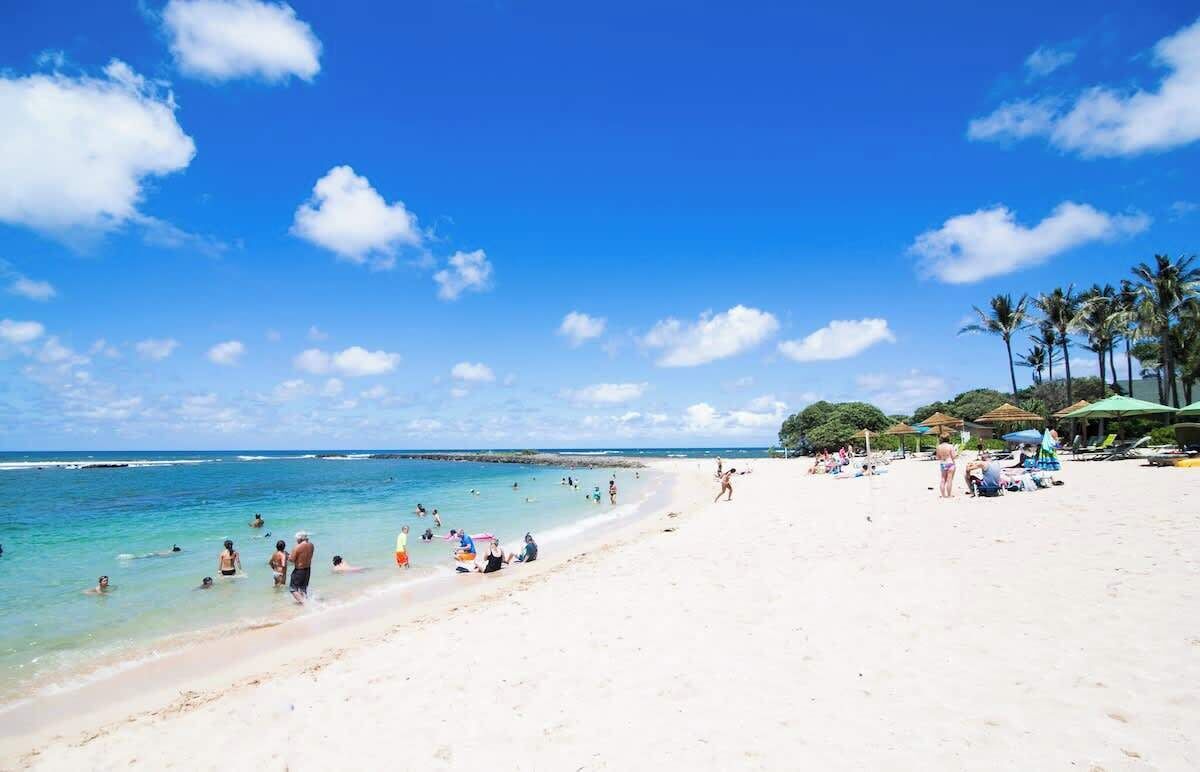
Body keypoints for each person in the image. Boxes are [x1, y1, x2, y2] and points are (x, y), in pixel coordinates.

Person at [289, 531, 314, 602]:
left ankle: (305, 603)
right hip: (308, 569)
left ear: (300, 539)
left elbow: (292, 560)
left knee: (293, 589)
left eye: (297, 539)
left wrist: (288, 557)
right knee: (303, 589)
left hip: (299, 570)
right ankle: (307, 603)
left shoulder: (297, 547)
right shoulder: (311, 545)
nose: (296, 540)